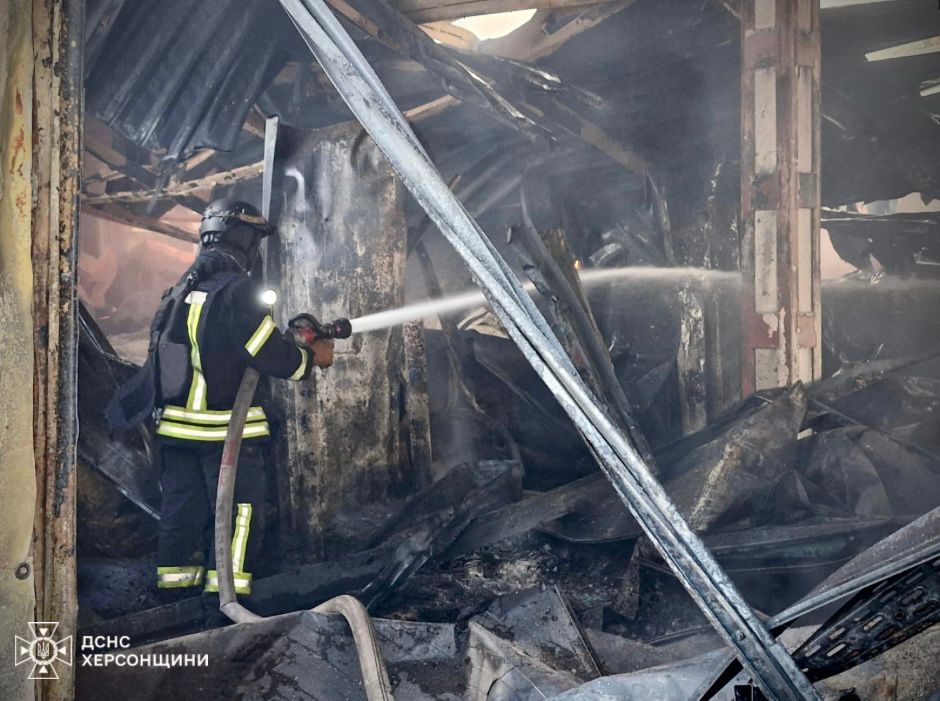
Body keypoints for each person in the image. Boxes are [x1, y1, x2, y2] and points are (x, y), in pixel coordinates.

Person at [109, 198, 333, 604]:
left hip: (175, 432)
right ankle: (226, 602)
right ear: (245, 240)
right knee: (238, 516)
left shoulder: (182, 289)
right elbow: (271, 356)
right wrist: (311, 357)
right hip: (225, 433)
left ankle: (175, 600)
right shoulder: (237, 291)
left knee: (181, 513)